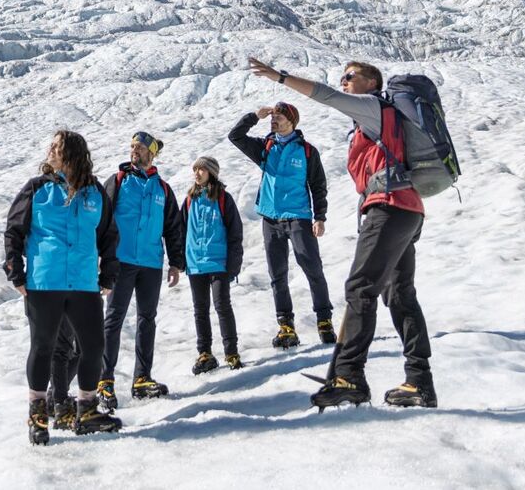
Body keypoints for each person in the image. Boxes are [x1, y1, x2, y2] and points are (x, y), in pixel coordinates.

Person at [247, 57, 437, 410]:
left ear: (370, 83)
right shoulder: (377, 123)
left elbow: (326, 95)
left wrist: (280, 77)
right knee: (399, 295)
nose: (344, 81)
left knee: (360, 287)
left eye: (351, 77)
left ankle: (349, 376)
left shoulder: (373, 107)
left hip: (390, 206)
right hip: (407, 210)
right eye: (343, 76)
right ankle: (419, 381)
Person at [4, 130, 124, 444]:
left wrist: (108, 273)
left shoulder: (95, 192)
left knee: (93, 347)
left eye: (57, 146)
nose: (50, 150)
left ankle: (86, 411)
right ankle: (38, 417)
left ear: (71, 153)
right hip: (45, 282)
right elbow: (14, 230)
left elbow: (109, 235)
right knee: (43, 348)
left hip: (84, 284)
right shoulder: (37, 188)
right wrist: (15, 270)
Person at [228, 101, 335, 349]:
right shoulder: (265, 147)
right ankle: (286, 326)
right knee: (277, 275)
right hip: (270, 219)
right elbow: (235, 136)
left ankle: (324, 320)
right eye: (272, 117)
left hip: (299, 217)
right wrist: (254, 116)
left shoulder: (307, 151)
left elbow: (318, 186)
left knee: (312, 268)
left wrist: (320, 217)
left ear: (291, 121)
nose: (273, 121)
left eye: (278, 117)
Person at [97, 131, 186, 407]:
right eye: (132, 146)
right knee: (113, 319)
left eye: (140, 147)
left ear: (152, 153)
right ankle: (104, 380)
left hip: (150, 263)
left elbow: (173, 228)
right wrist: (100, 257)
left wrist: (175, 262)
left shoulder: (163, 189)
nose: (134, 150)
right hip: (120, 261)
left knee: (147, 319)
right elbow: (101, 219)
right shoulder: (118, 181)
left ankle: (142, 378)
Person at [180, 155, 244, 374]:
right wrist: (180, 260)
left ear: (211, 173)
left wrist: (233, 264)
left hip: (218, 263)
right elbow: (181, 230)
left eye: (202, 170)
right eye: (195, 169)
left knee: (222, 306)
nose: (197, 173)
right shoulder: (190, 200)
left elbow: (235, 233)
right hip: (195, 263)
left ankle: (231, 351)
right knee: (200, 310)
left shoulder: (224, 199)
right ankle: (204, 352)